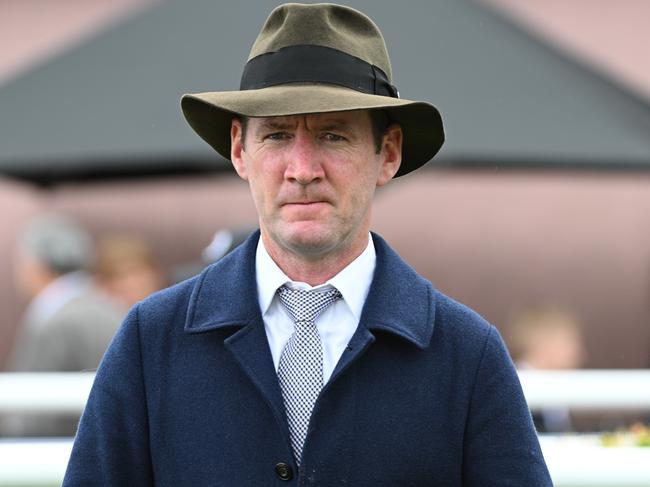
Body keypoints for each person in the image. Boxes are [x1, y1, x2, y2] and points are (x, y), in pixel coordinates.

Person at [63, 4, 551, 485]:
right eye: (276, 136)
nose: (302, 169)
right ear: (239, 150)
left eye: (333, 136)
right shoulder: (152, 341)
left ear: (390, 153)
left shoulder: (467, 354)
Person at [4, 214, 123, 436]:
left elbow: (32, 415)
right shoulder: (108, 304)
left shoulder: (56, 317)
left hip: (64, 451)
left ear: (36, 264)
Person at [508, 304, 586, 432]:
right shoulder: (514, 388)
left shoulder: (557, 388)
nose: (580, 353)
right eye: (570, 342)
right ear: (545, 343)